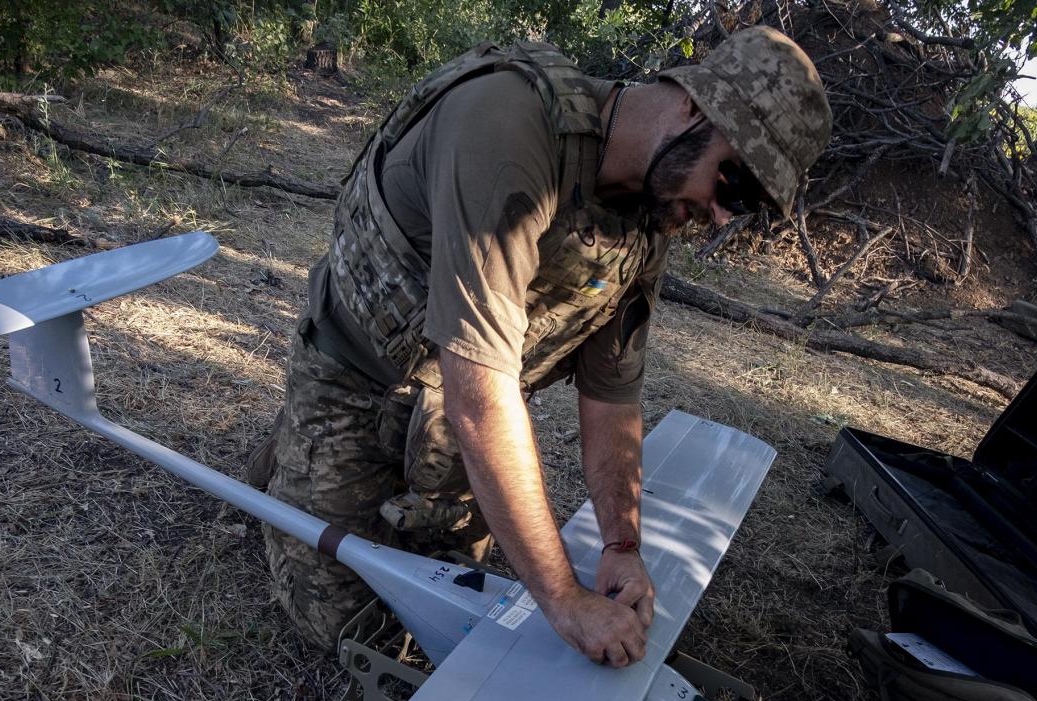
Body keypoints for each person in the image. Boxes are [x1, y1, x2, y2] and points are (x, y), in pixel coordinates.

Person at [248, 27, 831, 665]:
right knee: (346, 625)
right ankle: (295, 446)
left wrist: (621, 546)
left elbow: (612, 397)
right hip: (358, 378)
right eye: (734, 185)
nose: (722, 216)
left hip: (445, 416)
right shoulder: (508, 127)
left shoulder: (649, 211)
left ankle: (326, 465)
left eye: (746, 207)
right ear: (696, 105)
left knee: (445, 616)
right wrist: (563, 597)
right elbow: (483, 401)